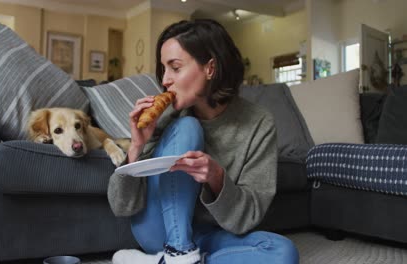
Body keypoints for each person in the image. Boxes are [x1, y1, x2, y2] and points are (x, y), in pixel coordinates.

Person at [107, 19, 299, 264]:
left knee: (283, 253)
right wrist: (136, 146)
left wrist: (217, 178)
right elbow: (121, 207)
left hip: (211, 234)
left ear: (210, 68)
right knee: (188, 127)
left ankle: (167, 261)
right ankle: (178, 251)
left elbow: (249, 216)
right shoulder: (167, 117)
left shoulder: (258, 123)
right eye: (163, 68)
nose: (165, 80)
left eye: (175, 68)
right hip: (158, 231)